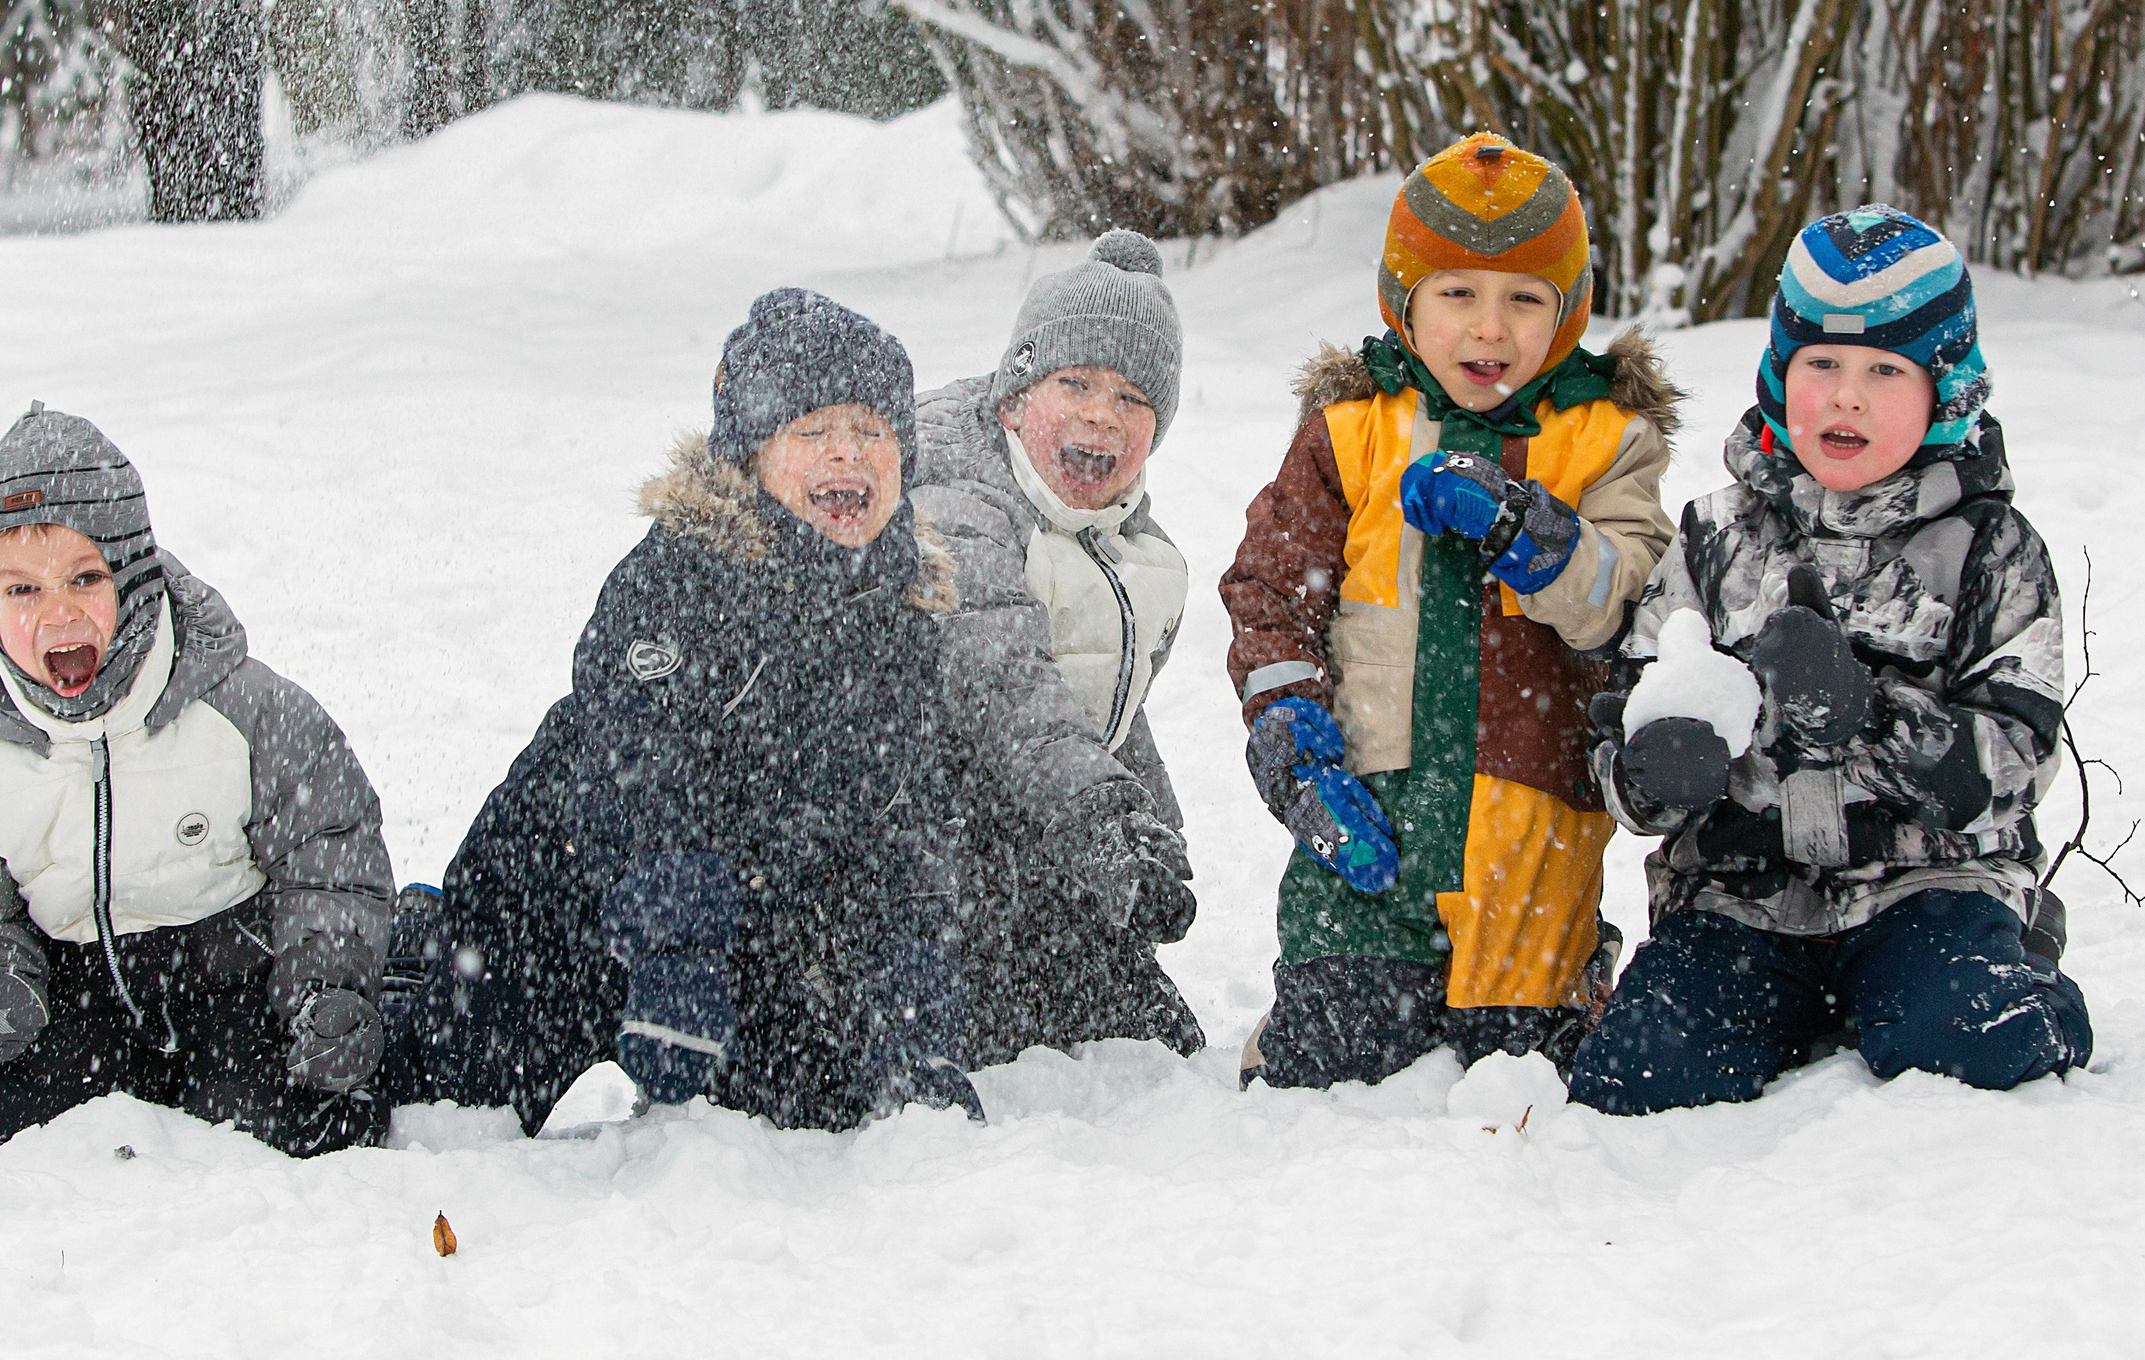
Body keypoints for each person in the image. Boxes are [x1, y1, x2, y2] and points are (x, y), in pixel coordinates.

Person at [383, 289, 981, 1134]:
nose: (845, 456)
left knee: (817, 1111)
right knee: (442, 1101)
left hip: (744, 919)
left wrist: (914, 1024)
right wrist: (673, 949)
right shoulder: (680, 580)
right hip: (562, 899)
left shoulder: (903, 621)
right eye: (811, 432)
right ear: (750, 455)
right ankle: (422, 950)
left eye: (872, 433)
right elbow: (638, 776)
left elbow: (907, 830)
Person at [1569, 205, 2093, 1115]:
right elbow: (1622, 720)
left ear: (1946, 390)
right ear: (1781, 374)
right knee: (1638, 1074)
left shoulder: (1992, 549)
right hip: (1741, 899)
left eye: (1885, 370)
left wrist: (1871, 717)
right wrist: (1652, 771)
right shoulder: (1715, 537)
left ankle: (2016, 959)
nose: (1846, 395)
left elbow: (2015, 761)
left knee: (1970, 1040)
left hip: (1928, 884)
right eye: (1822, 364)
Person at [1220, 131, 1680, 1088]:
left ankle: (1574, 974)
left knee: (1525, 1063)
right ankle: (1316, 997)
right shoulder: (1350, 435)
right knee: (1330, 1060)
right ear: (1405, 302)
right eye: (1457, 294)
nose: (1490, 329)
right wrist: (1294, 737)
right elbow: (1271, 591)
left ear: (1569, 310)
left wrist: (1536, 533)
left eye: (1524, 298)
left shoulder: (1603, 441)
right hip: (1369, 820)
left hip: (1530, 839)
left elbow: (1630, 601)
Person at [0, 405, 394, 1160]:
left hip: (233, 976)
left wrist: (323, 985)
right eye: (22, 591)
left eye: (83, 578)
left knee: (296, 1122)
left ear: (133, 576)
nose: (55, 613)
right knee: (12, 1132)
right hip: (74, 991)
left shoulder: (243, 708)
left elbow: (329, 847)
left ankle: (381, 984)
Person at [911, 229, 1206, 1067]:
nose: (1099, 413)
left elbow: (1103, 705)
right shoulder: (958, 493)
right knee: (995, 1041)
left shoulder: (1117, 537)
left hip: (1042, 836)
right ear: (1012, 399)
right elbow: (1008, 687)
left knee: (1160, 1051)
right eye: (1072, 382)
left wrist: (1150, 820)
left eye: (1132, 398)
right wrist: (1103, 820)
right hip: (933, 846)